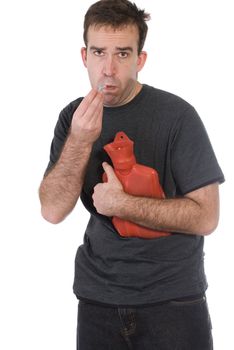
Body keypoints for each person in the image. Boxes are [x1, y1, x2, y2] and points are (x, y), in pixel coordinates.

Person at [39, 0, 224, 349]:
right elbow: (52, 210)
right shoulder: (73, 118)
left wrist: (122, 204)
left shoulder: (178, 116)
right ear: (84, 56)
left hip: (173, 301)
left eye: (122, 54)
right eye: (99, 52)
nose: (108, 69)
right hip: (98, 299)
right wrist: (79, 140)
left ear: (140, 60)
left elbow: (206, 217)